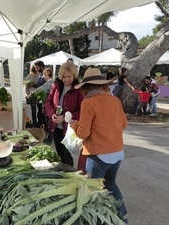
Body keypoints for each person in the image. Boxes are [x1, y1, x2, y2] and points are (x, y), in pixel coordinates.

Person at [70, 68, 128, 223]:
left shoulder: (88, 103)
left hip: (98, 156)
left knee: (93, 190)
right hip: (117, 154)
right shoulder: (115, 100)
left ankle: (96, 220)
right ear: (103, 85)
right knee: (111, 185)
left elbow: (83, 134)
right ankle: (123, 217)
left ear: (86, 87)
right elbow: (124, 124)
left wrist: (73, 124)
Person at [45, 61, 84, 167]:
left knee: (67, 157)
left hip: (70, 130)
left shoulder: (78, 89)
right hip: (56, 127)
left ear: (74, 75)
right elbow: (48, 101)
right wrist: (51, 114)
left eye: (69, 76)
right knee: (60, 155)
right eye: (64, 77)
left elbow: (83, 110)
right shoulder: (56, 85)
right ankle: (63, 175)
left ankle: (69, 176)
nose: (66, 79)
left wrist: (66, 117)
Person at [28, 68, 54, 142]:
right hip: (48, 105)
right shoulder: (51, 81)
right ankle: (49, 137)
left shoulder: (50, 82)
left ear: (46, 75)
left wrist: (32, 93)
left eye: (44, 75)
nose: (43, 77)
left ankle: (50, 138)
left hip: (50, 105)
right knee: (47, 121)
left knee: (49, 121)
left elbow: (42, 88)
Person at [34, 60, 46, 128]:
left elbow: (43, 87)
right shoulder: (40, 75)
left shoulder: (44, 75)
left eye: (37, 67)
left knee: (41, 114)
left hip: (43, 99)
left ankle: (40, 127)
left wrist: (35, 85)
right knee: (40, 113)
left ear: (41, 66)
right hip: (39, 98)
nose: (36, 69)